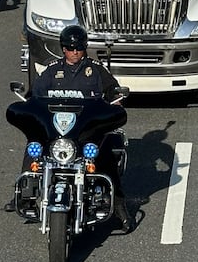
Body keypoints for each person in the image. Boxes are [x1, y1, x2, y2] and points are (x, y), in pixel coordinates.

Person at [7, 25, 132, 231]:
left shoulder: (96, 70)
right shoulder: (52, 70)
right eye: (70, 48)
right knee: (34, 145)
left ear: (85, 48)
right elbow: (34, 97)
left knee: (106, 152)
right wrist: (26, 106)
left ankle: (119, 206)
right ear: (63, 48)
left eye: (79, 48)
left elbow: (113, 92)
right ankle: (24, 195)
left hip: (86, 131)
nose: (75, 52)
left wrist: (115, 102)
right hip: (57, 132)